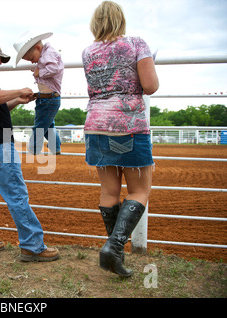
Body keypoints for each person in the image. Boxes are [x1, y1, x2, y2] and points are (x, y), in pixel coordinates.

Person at [0, 39, 60, 262]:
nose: (0, 64)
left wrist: (17, 99)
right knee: (16, 193)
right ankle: (33, 246)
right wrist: (18, 90)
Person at [82, 1, 159, 277]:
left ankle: (115, 254)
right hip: (126, 126)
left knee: (109, 193)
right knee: (139, 191)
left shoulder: (87, 52)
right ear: (120, 20)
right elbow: (150, 85)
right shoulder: (136, 44)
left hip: (94, 126)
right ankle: (114, 248)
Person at [13, 31, 64, 155]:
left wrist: (38, 72)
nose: (32, 62)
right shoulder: (46, 55)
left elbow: (54, 69)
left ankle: (34, 149)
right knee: (47, 125)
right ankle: (55, 147)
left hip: (49, 99)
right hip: (47, 98)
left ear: (37, 48)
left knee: (40, 127)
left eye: (31, 59)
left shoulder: (49, 54)